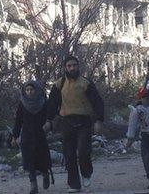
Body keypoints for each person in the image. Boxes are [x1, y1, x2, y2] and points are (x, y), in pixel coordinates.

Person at [45, 56, 105, 193]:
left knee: (84, 150)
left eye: (74, 65)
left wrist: (99, 120)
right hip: (66, 122)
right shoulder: (59, 84)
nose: (72, 68)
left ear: (78, 66)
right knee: (69, 154)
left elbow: (97, 102)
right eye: (69, 66)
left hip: (84, 121)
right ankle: (74, 184)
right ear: (65, 68)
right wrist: (49, 121)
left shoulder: (86, 83)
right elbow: (52, 104)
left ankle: (86, 173)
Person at [12, 81, 51, 194]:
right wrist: (15, 136)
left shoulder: (43, 102)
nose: (29, 92)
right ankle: (33, 185)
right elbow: (18, 120)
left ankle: (45, 174)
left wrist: (49, 126)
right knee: (29, 161)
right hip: (27, 135)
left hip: (40, 135)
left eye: (31, 90)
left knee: (42, 158)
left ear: (36, 90)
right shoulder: (22, 103)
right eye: (27, 90)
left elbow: (49, 117)